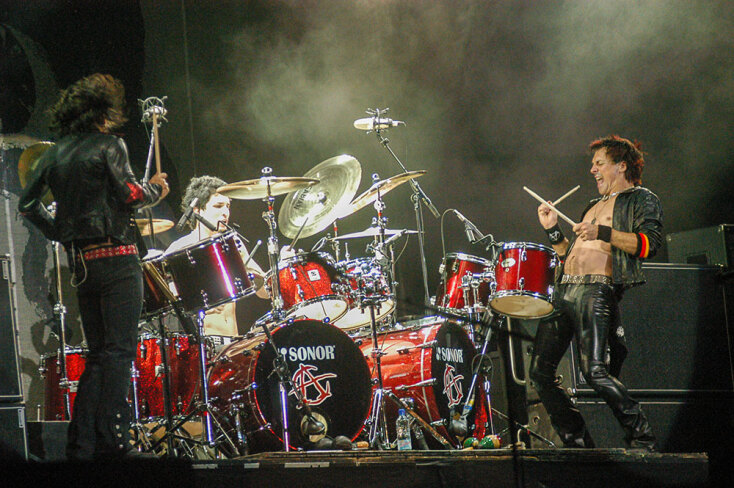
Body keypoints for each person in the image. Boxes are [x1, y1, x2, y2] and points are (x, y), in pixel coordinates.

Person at [18, 73, 170, 459]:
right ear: (104, 112)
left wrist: (58, 231)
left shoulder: (53, 154)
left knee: (100, 355)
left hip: (83, 265)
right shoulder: (109, 145)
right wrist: (156, 188)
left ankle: (81, 443)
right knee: (118, 352)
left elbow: (27, 204)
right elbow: (131, 194)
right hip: (118, 260)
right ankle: (114, 441)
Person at [529, 135, 662, 451]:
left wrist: (601, 232)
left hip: (596, 291)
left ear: (621, 166)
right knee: (539, 372)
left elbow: (648, 244)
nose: (592, 170)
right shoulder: (592, 205)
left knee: (594, 371)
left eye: (599, 163)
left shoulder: (640, 199)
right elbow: (568, 255)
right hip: (565, 289)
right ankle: (575, 438)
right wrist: (552, 229)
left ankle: (641, 435)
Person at [165, 175, 269, 337]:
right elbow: (165, 299)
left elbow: (265, 292)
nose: (225, 212)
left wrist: (281, 266)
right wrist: (195, 300)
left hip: (233, 342)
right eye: (218, 206)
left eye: (228, 206)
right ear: (197, 210)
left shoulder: (231, 244)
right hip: (203, 343)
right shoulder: (179, 248)